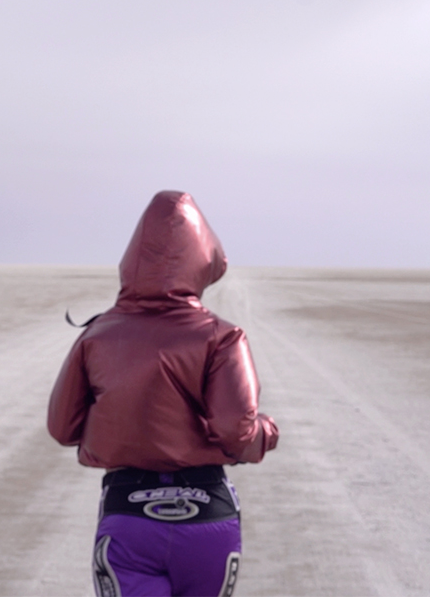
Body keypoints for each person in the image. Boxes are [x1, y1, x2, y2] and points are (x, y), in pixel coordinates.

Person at [48, 190, 279, 597]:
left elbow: (62, 427)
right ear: (204, 261)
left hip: (128, 514)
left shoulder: (97, 336)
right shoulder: (222, 337)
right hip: (208, 514)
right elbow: (237, 433)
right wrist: (267, 432)